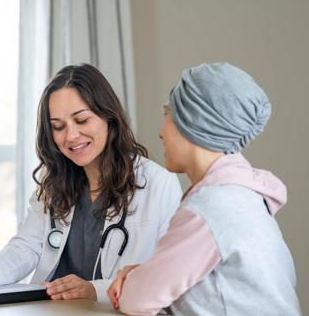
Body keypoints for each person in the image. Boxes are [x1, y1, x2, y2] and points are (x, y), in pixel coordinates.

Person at [0, 63, 181, 303]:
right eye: (58, 126)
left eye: (81, 120)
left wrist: (95, 290)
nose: (70, 136)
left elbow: (163, 273)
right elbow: (26, 247)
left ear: (108, 116)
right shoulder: (55, 183)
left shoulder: (157, 185)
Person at [108, 62, 301, 315]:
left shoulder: (211, 208)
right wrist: (144, 273)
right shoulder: (244, 196)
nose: (160, 132)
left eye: (167, 115)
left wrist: (136, 281)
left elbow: (136, 300)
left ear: (193, 123)